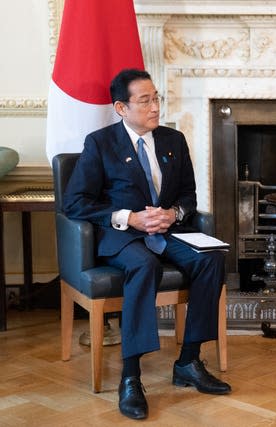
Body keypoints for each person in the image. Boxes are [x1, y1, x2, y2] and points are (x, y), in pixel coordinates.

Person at [63, 69, 231, 420]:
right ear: (121, 107)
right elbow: (75, 202)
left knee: (212, 259)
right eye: (145, 101)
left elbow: (188, 194)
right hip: (125, 234)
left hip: (168, 230)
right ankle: (131, 377)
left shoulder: (173, 140)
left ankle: (188, 361)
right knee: (143, 265)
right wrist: (129, 217)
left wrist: (173, 212)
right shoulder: (100, 143)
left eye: (156, 98)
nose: (155, 107)